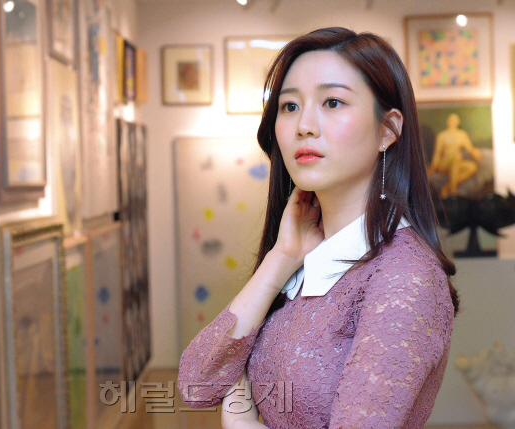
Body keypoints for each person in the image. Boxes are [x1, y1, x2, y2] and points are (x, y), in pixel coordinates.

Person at [177, 27, 459, 429]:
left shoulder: (404, 276)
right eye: (290, 106)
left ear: (388, 129)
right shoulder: (305, 256)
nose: (304, 125)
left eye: (332, 102)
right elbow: (196, 385)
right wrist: (281, 258)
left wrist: (243, 423)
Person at [427, 113, 482, 198]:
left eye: (455, 120)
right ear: (447, 122)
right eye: (451, 120)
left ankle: (447, 187)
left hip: (457, 162)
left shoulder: (462, 134)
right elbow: (437, 153)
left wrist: (476, 153)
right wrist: (433, 167)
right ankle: (453, 192)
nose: (453, 122)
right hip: (445, 164)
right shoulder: (442, 135)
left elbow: (470, 149)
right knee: (456, 158)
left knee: (472, 167)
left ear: (458, 122)